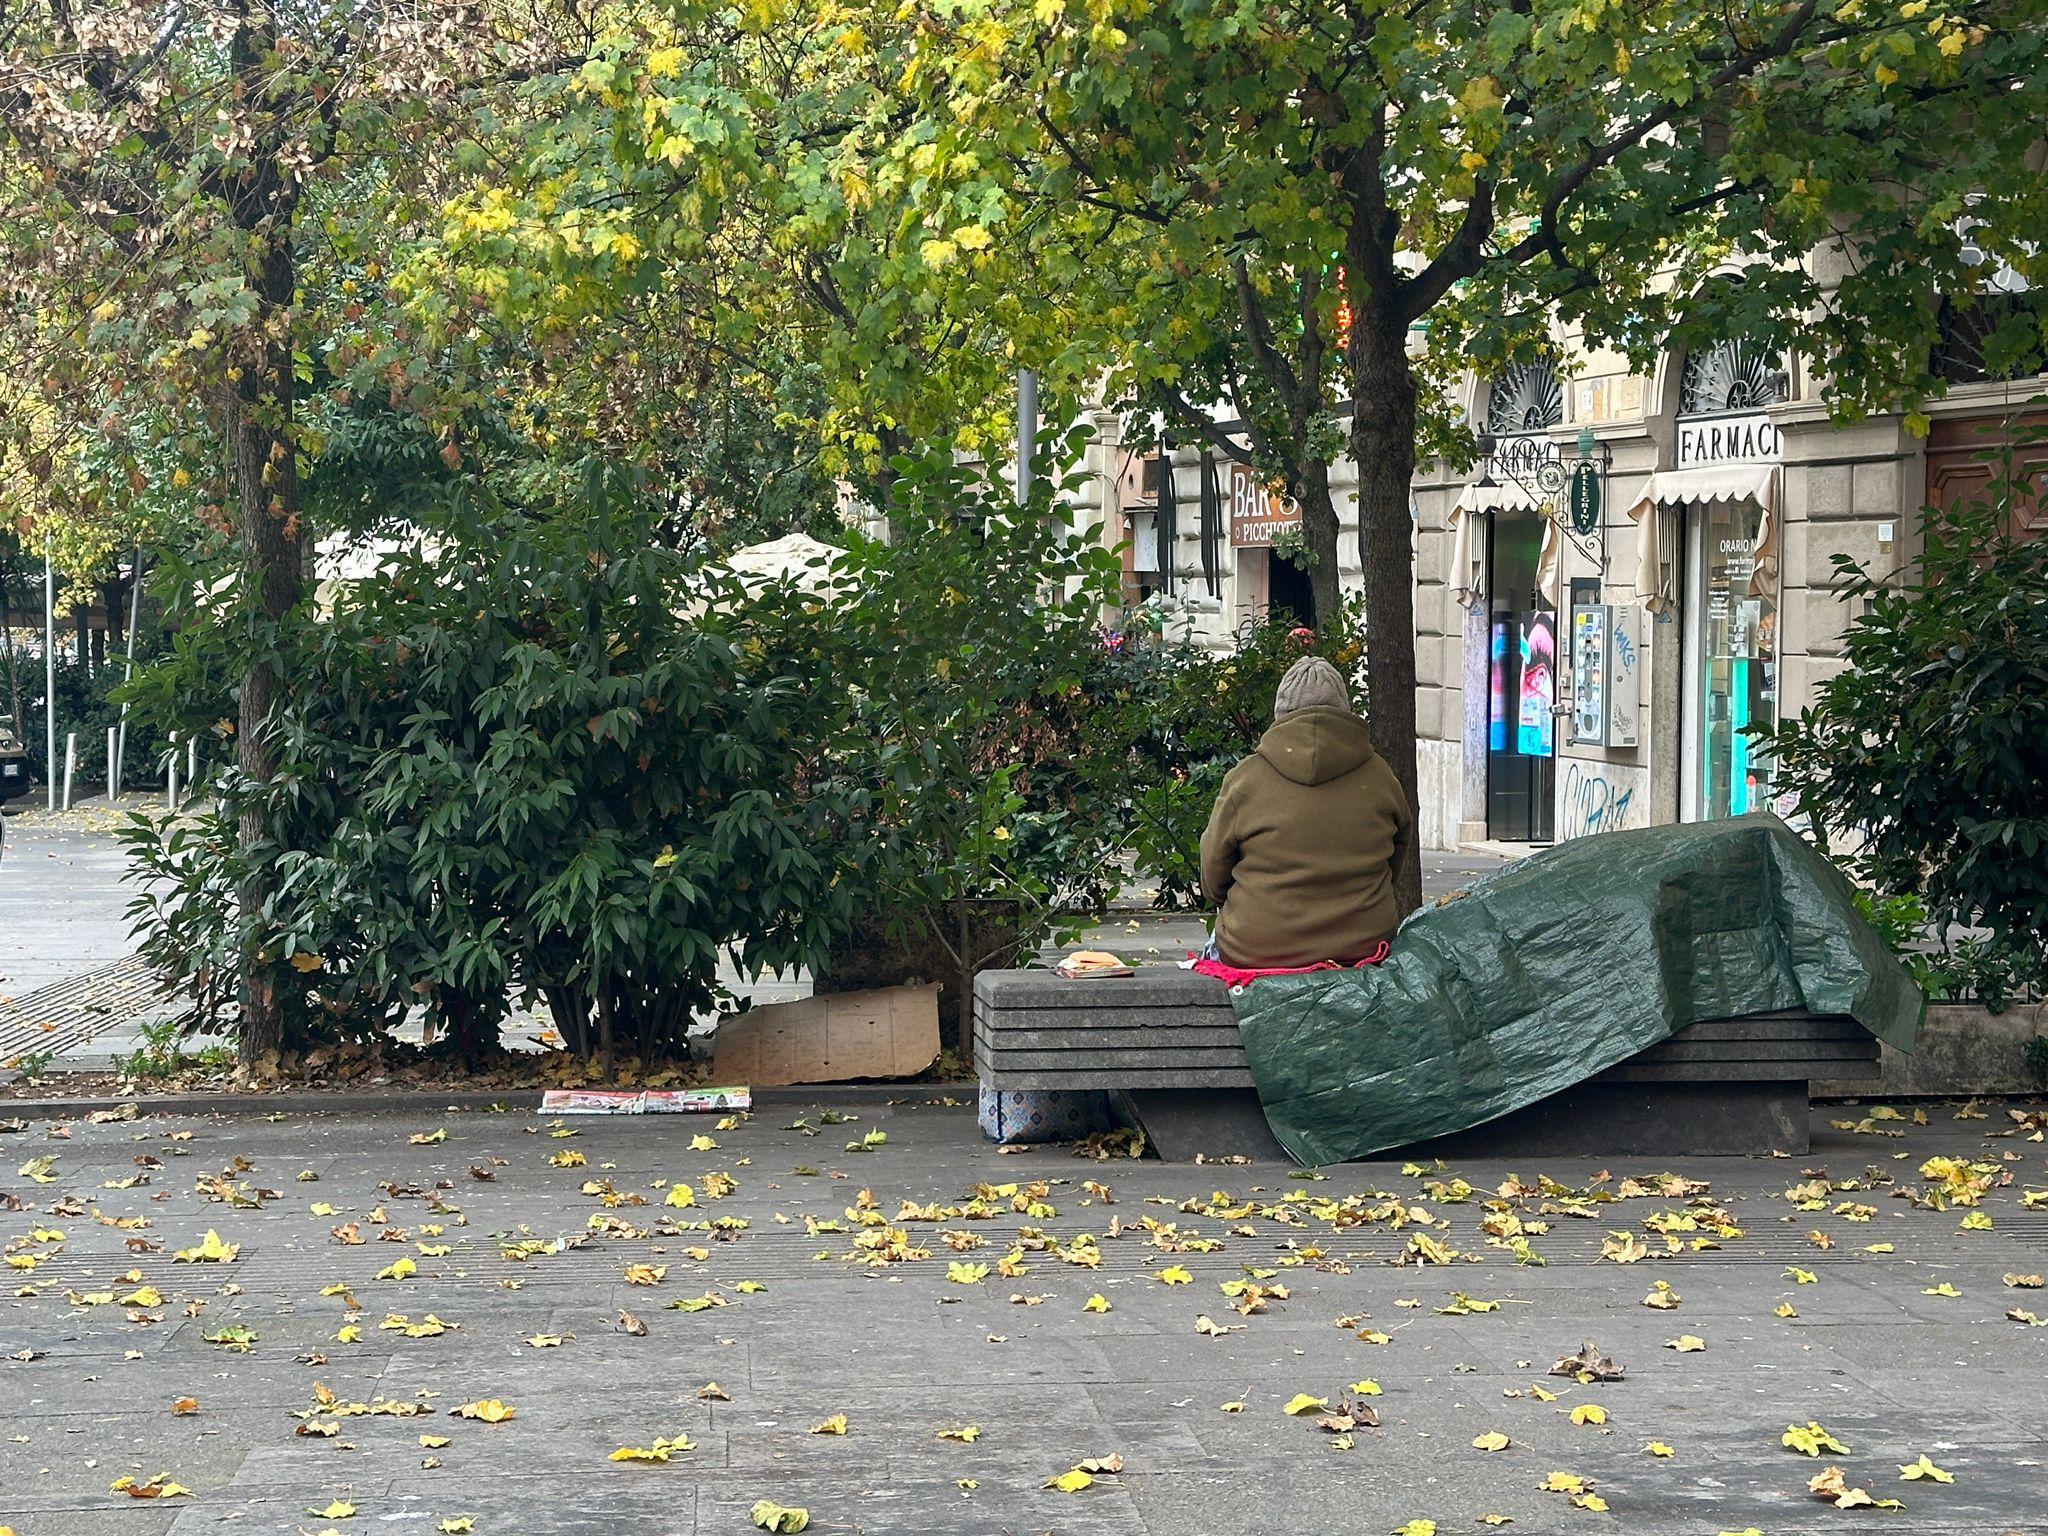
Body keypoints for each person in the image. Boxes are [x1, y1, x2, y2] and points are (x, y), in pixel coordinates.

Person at [1198, 655, 1414, 968]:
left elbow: (1213, 877)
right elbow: (1396, 859)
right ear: (1345, 711)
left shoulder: (1246, 778)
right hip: (1363, 945)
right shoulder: (1381, 777)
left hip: (1256, 948)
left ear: (1281, 714)